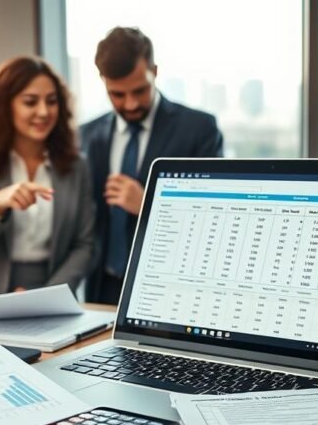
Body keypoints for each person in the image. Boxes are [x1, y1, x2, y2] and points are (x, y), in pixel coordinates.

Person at [80, 27, 225, 304]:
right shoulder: (86, 136)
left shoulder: (199, 129)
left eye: (139, 90)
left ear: (154, 71)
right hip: (102, 290)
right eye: (117, 94)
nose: (130, 104)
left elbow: (214, 218)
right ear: (102, 81)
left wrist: (149, 204)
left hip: (169, 290)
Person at [0, 57, 95, 300]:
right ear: (5, 105)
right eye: (30, 102)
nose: (44, 111)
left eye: (51, 101)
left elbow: (85, 245)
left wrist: (47, 296)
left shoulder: (76, 167)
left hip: (51, 293)